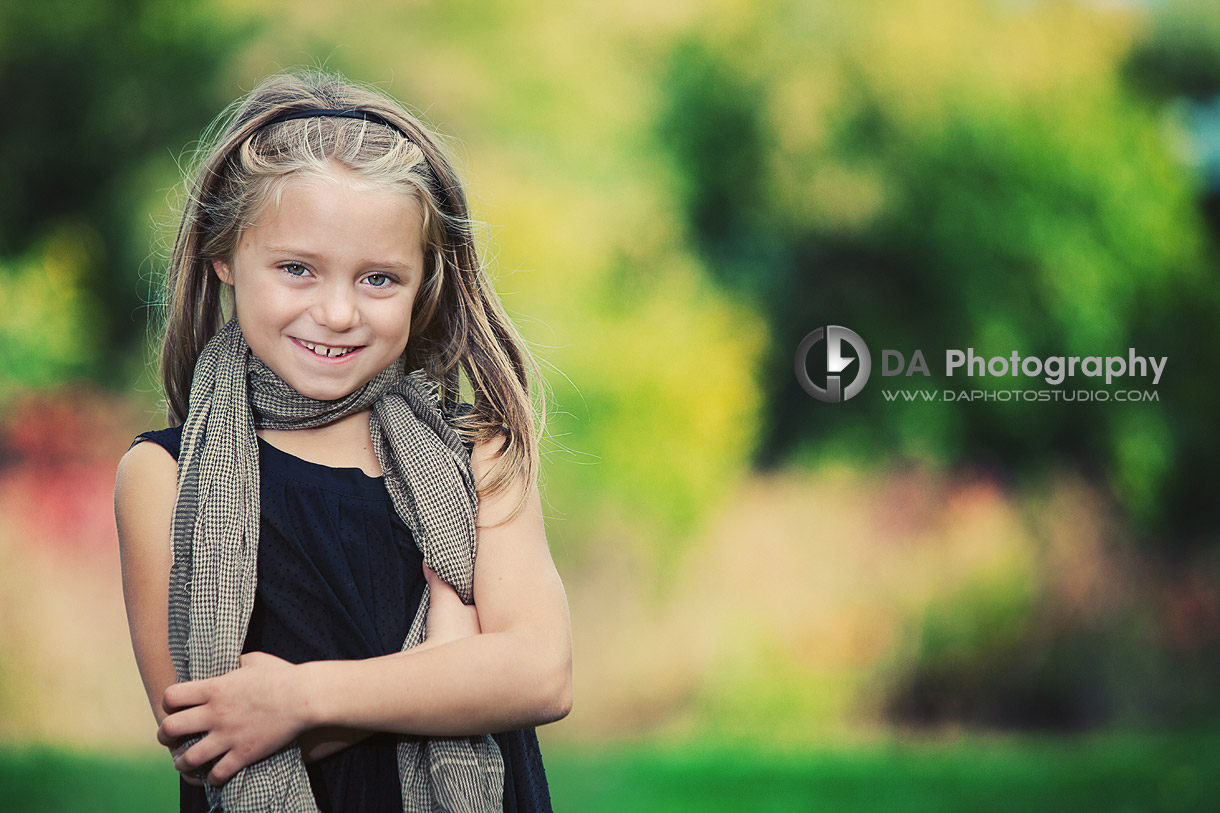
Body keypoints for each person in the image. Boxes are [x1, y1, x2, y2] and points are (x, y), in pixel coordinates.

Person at [114, 69, 572, 813]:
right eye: (297, 269)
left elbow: (541, 671)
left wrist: (298, 697)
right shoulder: (161, 475)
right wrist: (445, 672)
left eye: (379, 279)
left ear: (425, 280)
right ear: (224, 256)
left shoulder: (476, 452)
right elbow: (207, 733)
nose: (335, 311)